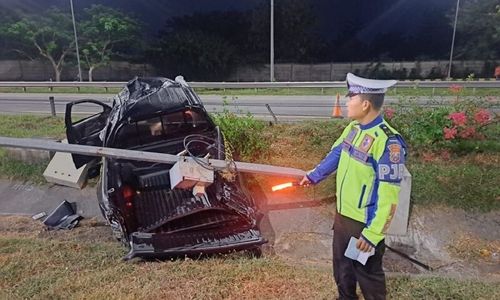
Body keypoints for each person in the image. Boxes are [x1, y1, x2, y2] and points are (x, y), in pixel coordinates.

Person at [300, 73, 407, 300]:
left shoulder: (388, 142)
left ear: (365, 103)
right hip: (343, 217)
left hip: (364, 224)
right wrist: (314, 176)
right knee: (342, 269)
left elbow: (389, 197)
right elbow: (337, 153)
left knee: (368, 275)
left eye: (351, 98)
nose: (347, 103)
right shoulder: (354, 128)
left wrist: (372, 234)